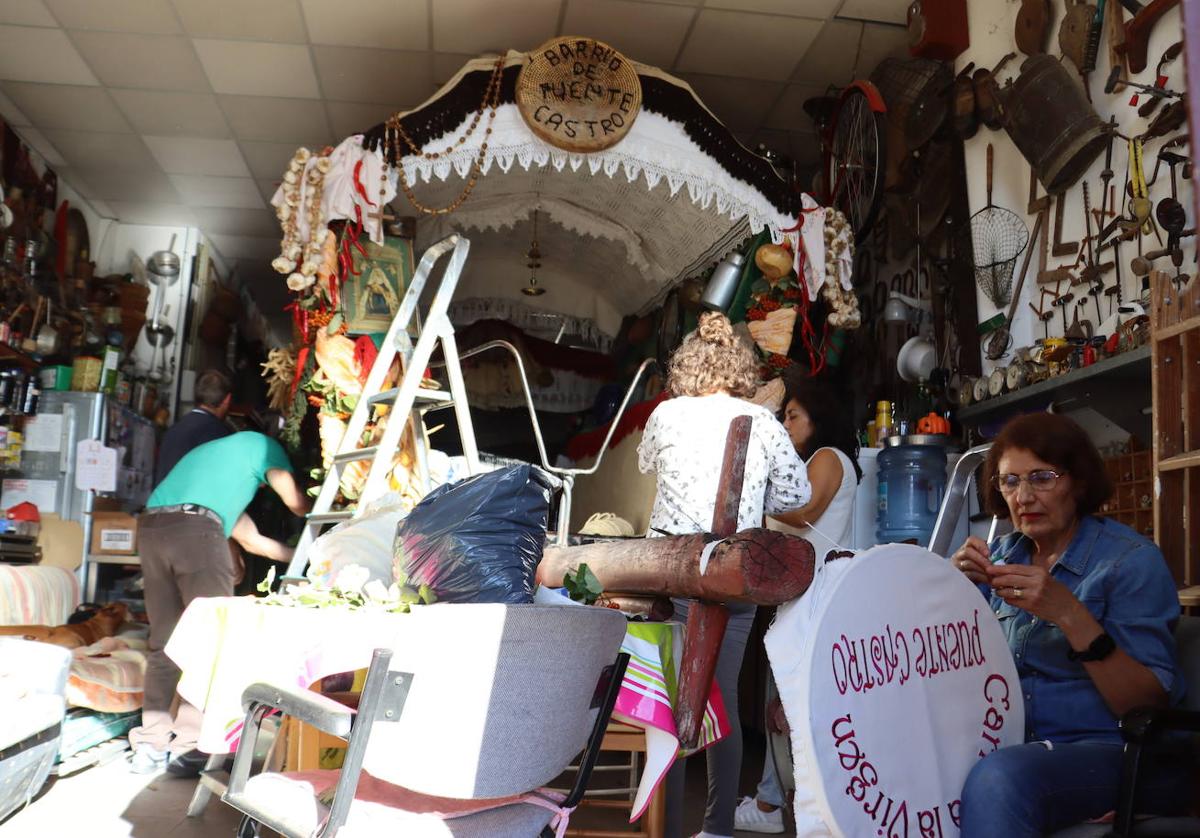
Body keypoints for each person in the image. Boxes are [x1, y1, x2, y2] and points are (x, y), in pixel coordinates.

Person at [951, 413, 1186, 835]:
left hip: (1115, 751)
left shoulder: (1130, 562)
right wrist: (950, 591)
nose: (1023, 496)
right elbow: (957, 668)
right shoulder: (1002, 556)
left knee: (1000, 779)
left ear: (1078, 482)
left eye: (1042, 477)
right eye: (1010, 481)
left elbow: (1148, 705)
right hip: (1017, 746)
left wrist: (1069, 614)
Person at [637, 312, 812, 838]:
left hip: (671, 569)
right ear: (742, 369)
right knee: (721, 699)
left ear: (686, 367)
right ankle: (715, 828)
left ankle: (661, 825)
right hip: (735, 571)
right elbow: (797, 496)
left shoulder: (666, 415)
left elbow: (650, 464)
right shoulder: (761, 420)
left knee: (667, 700)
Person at [127, 425, 311, 777]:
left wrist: (305, 556)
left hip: (153, 527)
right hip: (196, 532)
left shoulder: (216, 465)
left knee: (165, 639)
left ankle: (150, 745)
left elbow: (255, 543)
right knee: (211, 640)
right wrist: (314, 509)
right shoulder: (264, 445)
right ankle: (189, 746)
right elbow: (296, 503)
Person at [734, 376, 863, 834]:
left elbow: (802, 513)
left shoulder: (828, 457)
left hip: (817, 600)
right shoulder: (814, 461)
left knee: (787, 701)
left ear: (818, 418)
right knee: (782, 700)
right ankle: (775, 799)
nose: (784, 423)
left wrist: (756, 485)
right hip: (803, 599)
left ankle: (773, 805)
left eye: (792, 415)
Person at [153, 369, 233, 486]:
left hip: (160, 502)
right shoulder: (219, 434)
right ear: (227, 400)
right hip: (191, 503)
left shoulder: (174, 429)